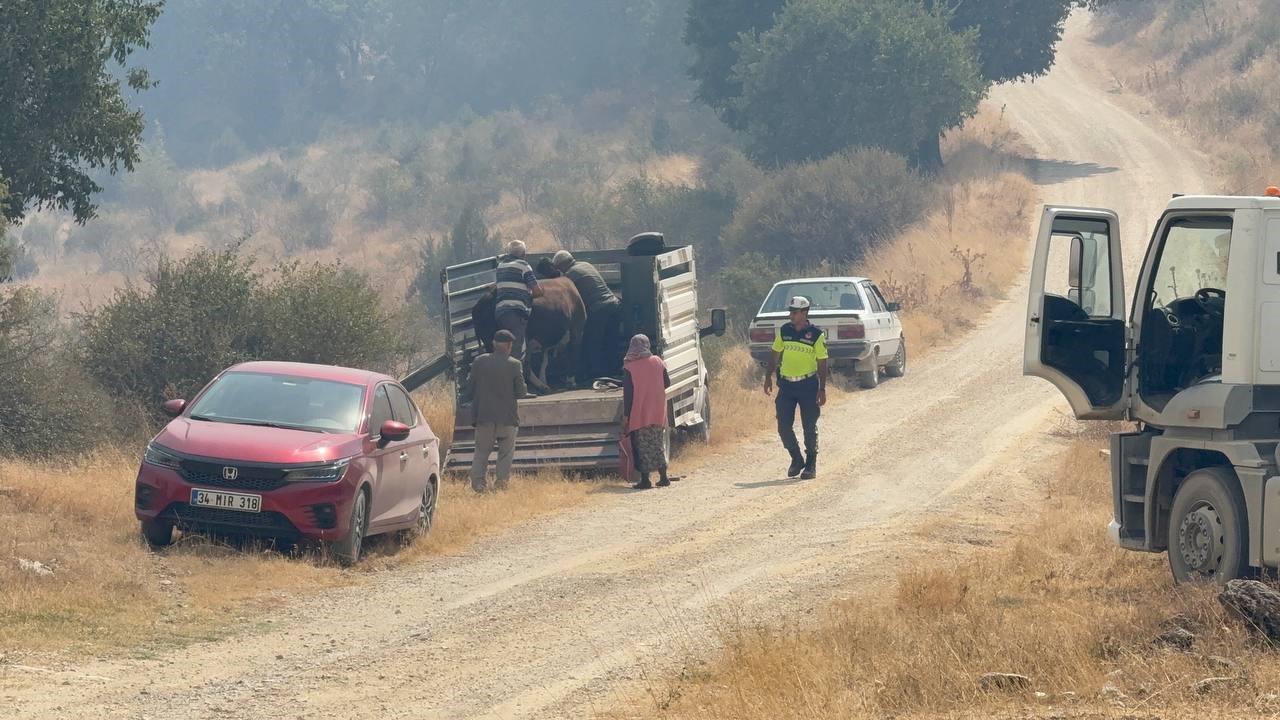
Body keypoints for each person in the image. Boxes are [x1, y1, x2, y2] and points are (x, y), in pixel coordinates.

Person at [763, 296, 829, 479]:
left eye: (794, 312)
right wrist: (768, 377)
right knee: (783, 426)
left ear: (804, 313)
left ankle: (810, 464)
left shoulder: (816, 334)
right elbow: (775, 354)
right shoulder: (784, 331)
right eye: (790, 311)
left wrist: (822, 389)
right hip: (786, 385)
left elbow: (822, 362)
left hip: (808, 385)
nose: (790, 315)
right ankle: (796, 458)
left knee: (809, 426)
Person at [469, 329, 526, 492]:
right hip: (507, 418)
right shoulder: (515, 364)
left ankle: (479, 486)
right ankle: (501, 486)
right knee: (505, 454)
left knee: (481, 452)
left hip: (484, 417)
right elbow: (521, 392)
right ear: (509, 346)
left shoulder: (479, 361)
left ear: (494, 344)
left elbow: (470, 387)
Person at [552, 250, 622, 380]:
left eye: (559, 268)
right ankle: (613, 370)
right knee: (611, 340)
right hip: (614, 304)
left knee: (592, 341)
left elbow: (562, 290)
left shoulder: (570, 274)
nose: (559, 271)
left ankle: (596, 374)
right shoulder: (586, 264)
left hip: (599, 309)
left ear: (563, 264)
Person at [621, 334, 671, 490]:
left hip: (640, 412)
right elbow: (667, 382)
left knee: (641, 446)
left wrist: (626, 417)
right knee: (657, 444)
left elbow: (628, 396)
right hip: (657, 410)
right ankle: (663, 477)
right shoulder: (658, 361)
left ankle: (645, 480)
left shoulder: (629, 367)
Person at [495, 239, 544, 361]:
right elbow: (537, 292)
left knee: (504, 346)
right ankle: (514, 377)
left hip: (500, 312)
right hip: (516, 312)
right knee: (516, 348)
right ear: (524, 254)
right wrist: (531, 294)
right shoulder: (524, 265)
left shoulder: (500, 266)